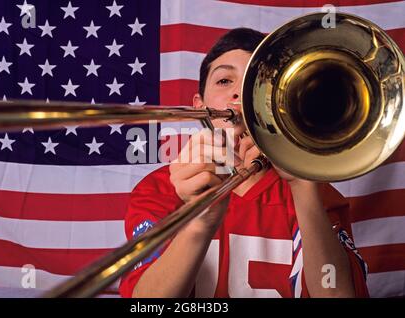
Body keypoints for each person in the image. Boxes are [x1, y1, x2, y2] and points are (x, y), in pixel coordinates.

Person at [119, 28, 369, 298]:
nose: (238, 92)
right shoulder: (157, 189)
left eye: (255, 81)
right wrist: (198, 222)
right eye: (225, 80)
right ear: (198, 105)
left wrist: (303, 186)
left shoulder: (315, 190)